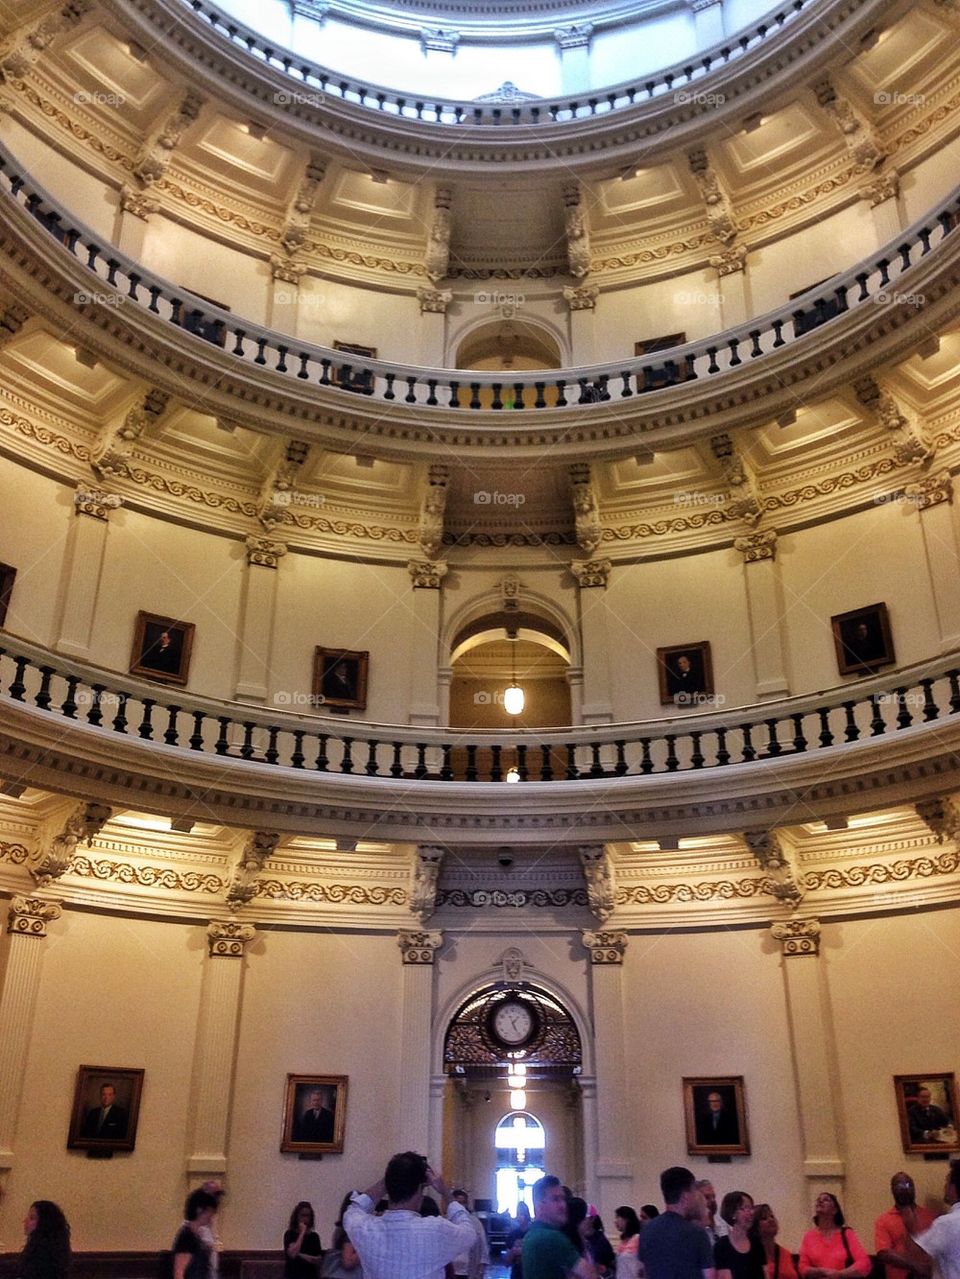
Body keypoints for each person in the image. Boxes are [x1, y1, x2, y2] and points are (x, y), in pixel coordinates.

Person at [343, 1151, 476, 1279]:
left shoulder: (364, 1229)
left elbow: (354, 1209)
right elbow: (469, 1233)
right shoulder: (436, 1229)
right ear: (420, 1189)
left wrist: (387, 1181)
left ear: (388, 1185)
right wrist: (444, 1191)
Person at [638, 1167, 715, 1279]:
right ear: (685, 1197)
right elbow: (709, 1276)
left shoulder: (647, 1229)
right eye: (694, 1192)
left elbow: (644, 1272)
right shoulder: (696, 1233)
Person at [522, 1175, 596, 1279]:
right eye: (555, 1199)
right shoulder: (552, 1237)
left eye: (563, 1199)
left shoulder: (531, 1234)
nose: (563, 1205)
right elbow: (590, 1275)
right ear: (540, 1205)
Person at [875, 1173, 936, 1279]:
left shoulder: (930, 1216)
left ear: (914, 1189)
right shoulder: (883, 1220)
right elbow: (883, 1253)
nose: (904, 1189)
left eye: (908, 1185)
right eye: (899, 1185)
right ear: (892, 1189)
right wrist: (915, 1266)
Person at [798, 1193, 870, 1279]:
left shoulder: (847, 1233)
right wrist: (817, 1271)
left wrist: (840, 1274)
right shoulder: (809, 1236)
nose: (820, 1201)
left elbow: (864, 1263)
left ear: (835, 1210)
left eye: (826, 1199)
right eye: (818, 1200)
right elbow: (802, 1266)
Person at [912, 1162, 960, 1279]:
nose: (944, 1186)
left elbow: (918, 1253)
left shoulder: (946, 1223)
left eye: (947, 1182)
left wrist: (910, 1224)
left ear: (954, 1187)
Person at [714, 1193, 764, 1279]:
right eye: (745, 1208)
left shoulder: (756, 1244)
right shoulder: (721, 1247)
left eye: (752, 1208)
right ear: (732, 1213)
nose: (752, 1212)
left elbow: (766, 1275)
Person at [172, 1188, 219, 1279]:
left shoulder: (195, 1235)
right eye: (210, 1211)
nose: (212, 1215)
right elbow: (179, 1273)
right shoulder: (187, 1237)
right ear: (199, 1210)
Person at [19, 1200, 71, 1279]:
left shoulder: (42, 1253)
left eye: (32, 1218)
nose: (25, 1221)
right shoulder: (57, 1251)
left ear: (44, 1223)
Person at [750, 1205, 797, 1279]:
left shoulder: (785, 1254)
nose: (771, 1220)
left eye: (772, 1216)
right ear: (755, 1227)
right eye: (764, 1218)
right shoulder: (751, 1255)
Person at [450, 1190, 488, 1279]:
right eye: (458, 1203)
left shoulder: (475, 1222)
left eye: (463, 1203)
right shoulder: (446, 1221)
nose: (460, 1206)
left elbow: (483, 1247)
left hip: (469, 1269)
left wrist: (481, 1271)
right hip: (451, 1269)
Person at [285, 1202, 323, 1277]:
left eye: (307, 1216)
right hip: (293, 1275)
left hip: (310, 1275)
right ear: (297, 1216)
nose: (305, 1219)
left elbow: (318, 1259)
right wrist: (302, 1233)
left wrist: (300, 1255)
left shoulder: (314, 1236)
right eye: (302, 1215)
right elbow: (293, 1254)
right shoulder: (289, 1234)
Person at [613, 1207, 642, 1279]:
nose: (615, 1221)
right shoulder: (623, 1241)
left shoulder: (637, 1239)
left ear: (626, 1219)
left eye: (617, 1217)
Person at [505, 1202, 532, 1279]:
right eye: (518, 1214)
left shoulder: (534, 1232)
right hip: (516, 1273)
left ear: (527, 1215)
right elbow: (507, 1263)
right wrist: (513, 1251)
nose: (519, 1217)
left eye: (522, 1214)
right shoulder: (513, 1234)